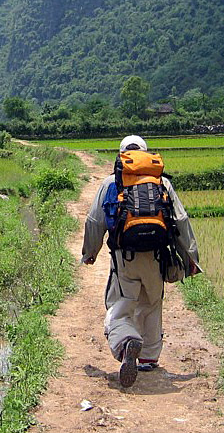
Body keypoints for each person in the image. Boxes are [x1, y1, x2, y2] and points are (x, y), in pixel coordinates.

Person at [82, 134, 202, 387]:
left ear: (122, 155)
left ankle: (126, 343)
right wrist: (190, 258)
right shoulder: (162, 184)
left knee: (120, 305)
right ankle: (148, 356)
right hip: (157, 256)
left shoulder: (110, 183)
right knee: (151, 302)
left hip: (125, 258)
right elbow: (180, 221)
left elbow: (94, 221)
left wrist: (89, 252)